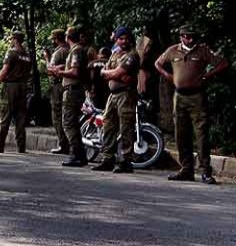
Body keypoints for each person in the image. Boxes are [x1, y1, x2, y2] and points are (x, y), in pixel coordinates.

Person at [155, 25, 228, 184]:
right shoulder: (173, 50)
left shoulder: (202, 50)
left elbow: (222, 63)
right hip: (179, 97)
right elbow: (158, 63)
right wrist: (168, 75)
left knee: (201, 133)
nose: (190, 39)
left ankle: (205, 170)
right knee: (181, 132)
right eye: (187, 36)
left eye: (192, 36)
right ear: (181, 37)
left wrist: (208, 75)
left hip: (197, 96)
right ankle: (186, 169)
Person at [91, 27, 139, 173]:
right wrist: (110, 73)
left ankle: (126, 160)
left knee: (126, 127)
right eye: (121, 38)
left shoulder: (132, 55)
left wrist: (111, 73)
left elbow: (120, 72)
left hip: (126, 94)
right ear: (116, 39)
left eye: (126, 38)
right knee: (108, 126)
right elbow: (104, 71)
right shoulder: (115, 54)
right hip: (112, 94)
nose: (123, 41)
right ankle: (108, 158)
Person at [0, 31, 32, 153]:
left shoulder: (12, 53)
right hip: (23, 87)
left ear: (15, 39)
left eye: (12, 39)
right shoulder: (27, 55)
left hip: (11, 87)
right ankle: (21, 146)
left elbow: (5, 70)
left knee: (5, 115)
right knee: (20, 117)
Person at [49, 26, 89, 167]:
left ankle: (75, 154)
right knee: (73, 123)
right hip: (74, 89)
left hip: (73, 90)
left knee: (68, 123)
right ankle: (81, 155)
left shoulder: (77, 50)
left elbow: (75, 72)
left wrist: (61, 73)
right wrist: (61, 69)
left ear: (67, 37)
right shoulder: (75, 50)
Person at [46, 29, 70, 154]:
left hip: (57, 85)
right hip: (67, 85)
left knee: (57, 115)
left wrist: (46, 59)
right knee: (67, 114)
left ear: (56, 39)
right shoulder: (70, 50)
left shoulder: (58, 52)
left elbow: (50, 70)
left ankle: (63, 143)